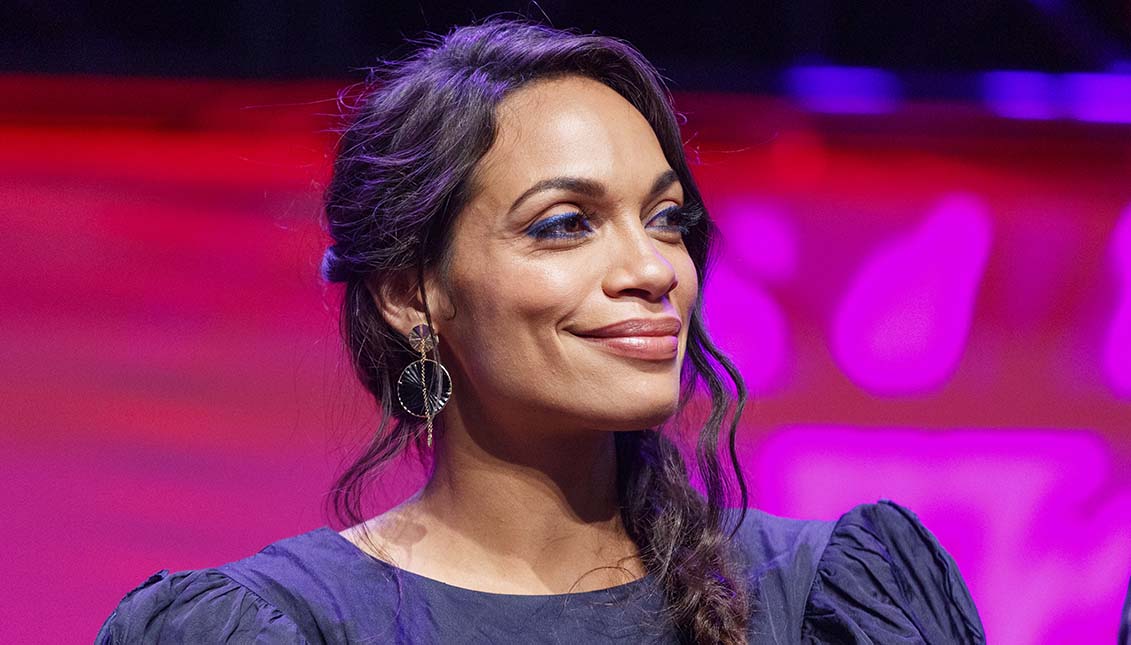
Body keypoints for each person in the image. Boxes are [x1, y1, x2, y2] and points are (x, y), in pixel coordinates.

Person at [96, 18, 985, 644]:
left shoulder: (830, 600)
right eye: (565, 223)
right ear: (412, 293)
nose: (652, 269)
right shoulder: (274, 625)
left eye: (667, 219)